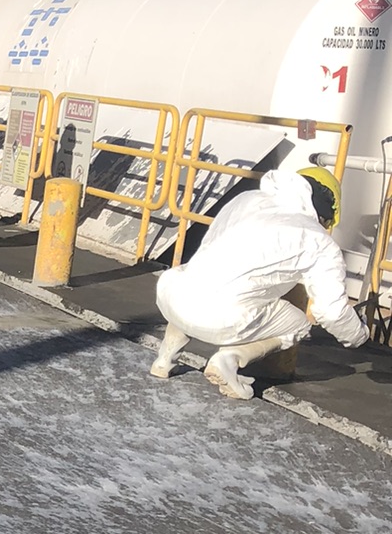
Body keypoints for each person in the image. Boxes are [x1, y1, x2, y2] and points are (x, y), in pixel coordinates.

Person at [149, 164, 367, 399]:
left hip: (171, 295)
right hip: (220, 319)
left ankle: (164, 360)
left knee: (198, 277)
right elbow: (331, 313)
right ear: (324, 210)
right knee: (299, 325)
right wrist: (357, 335)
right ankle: (228, 360)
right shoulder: (318, 240)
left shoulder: (247, 199)